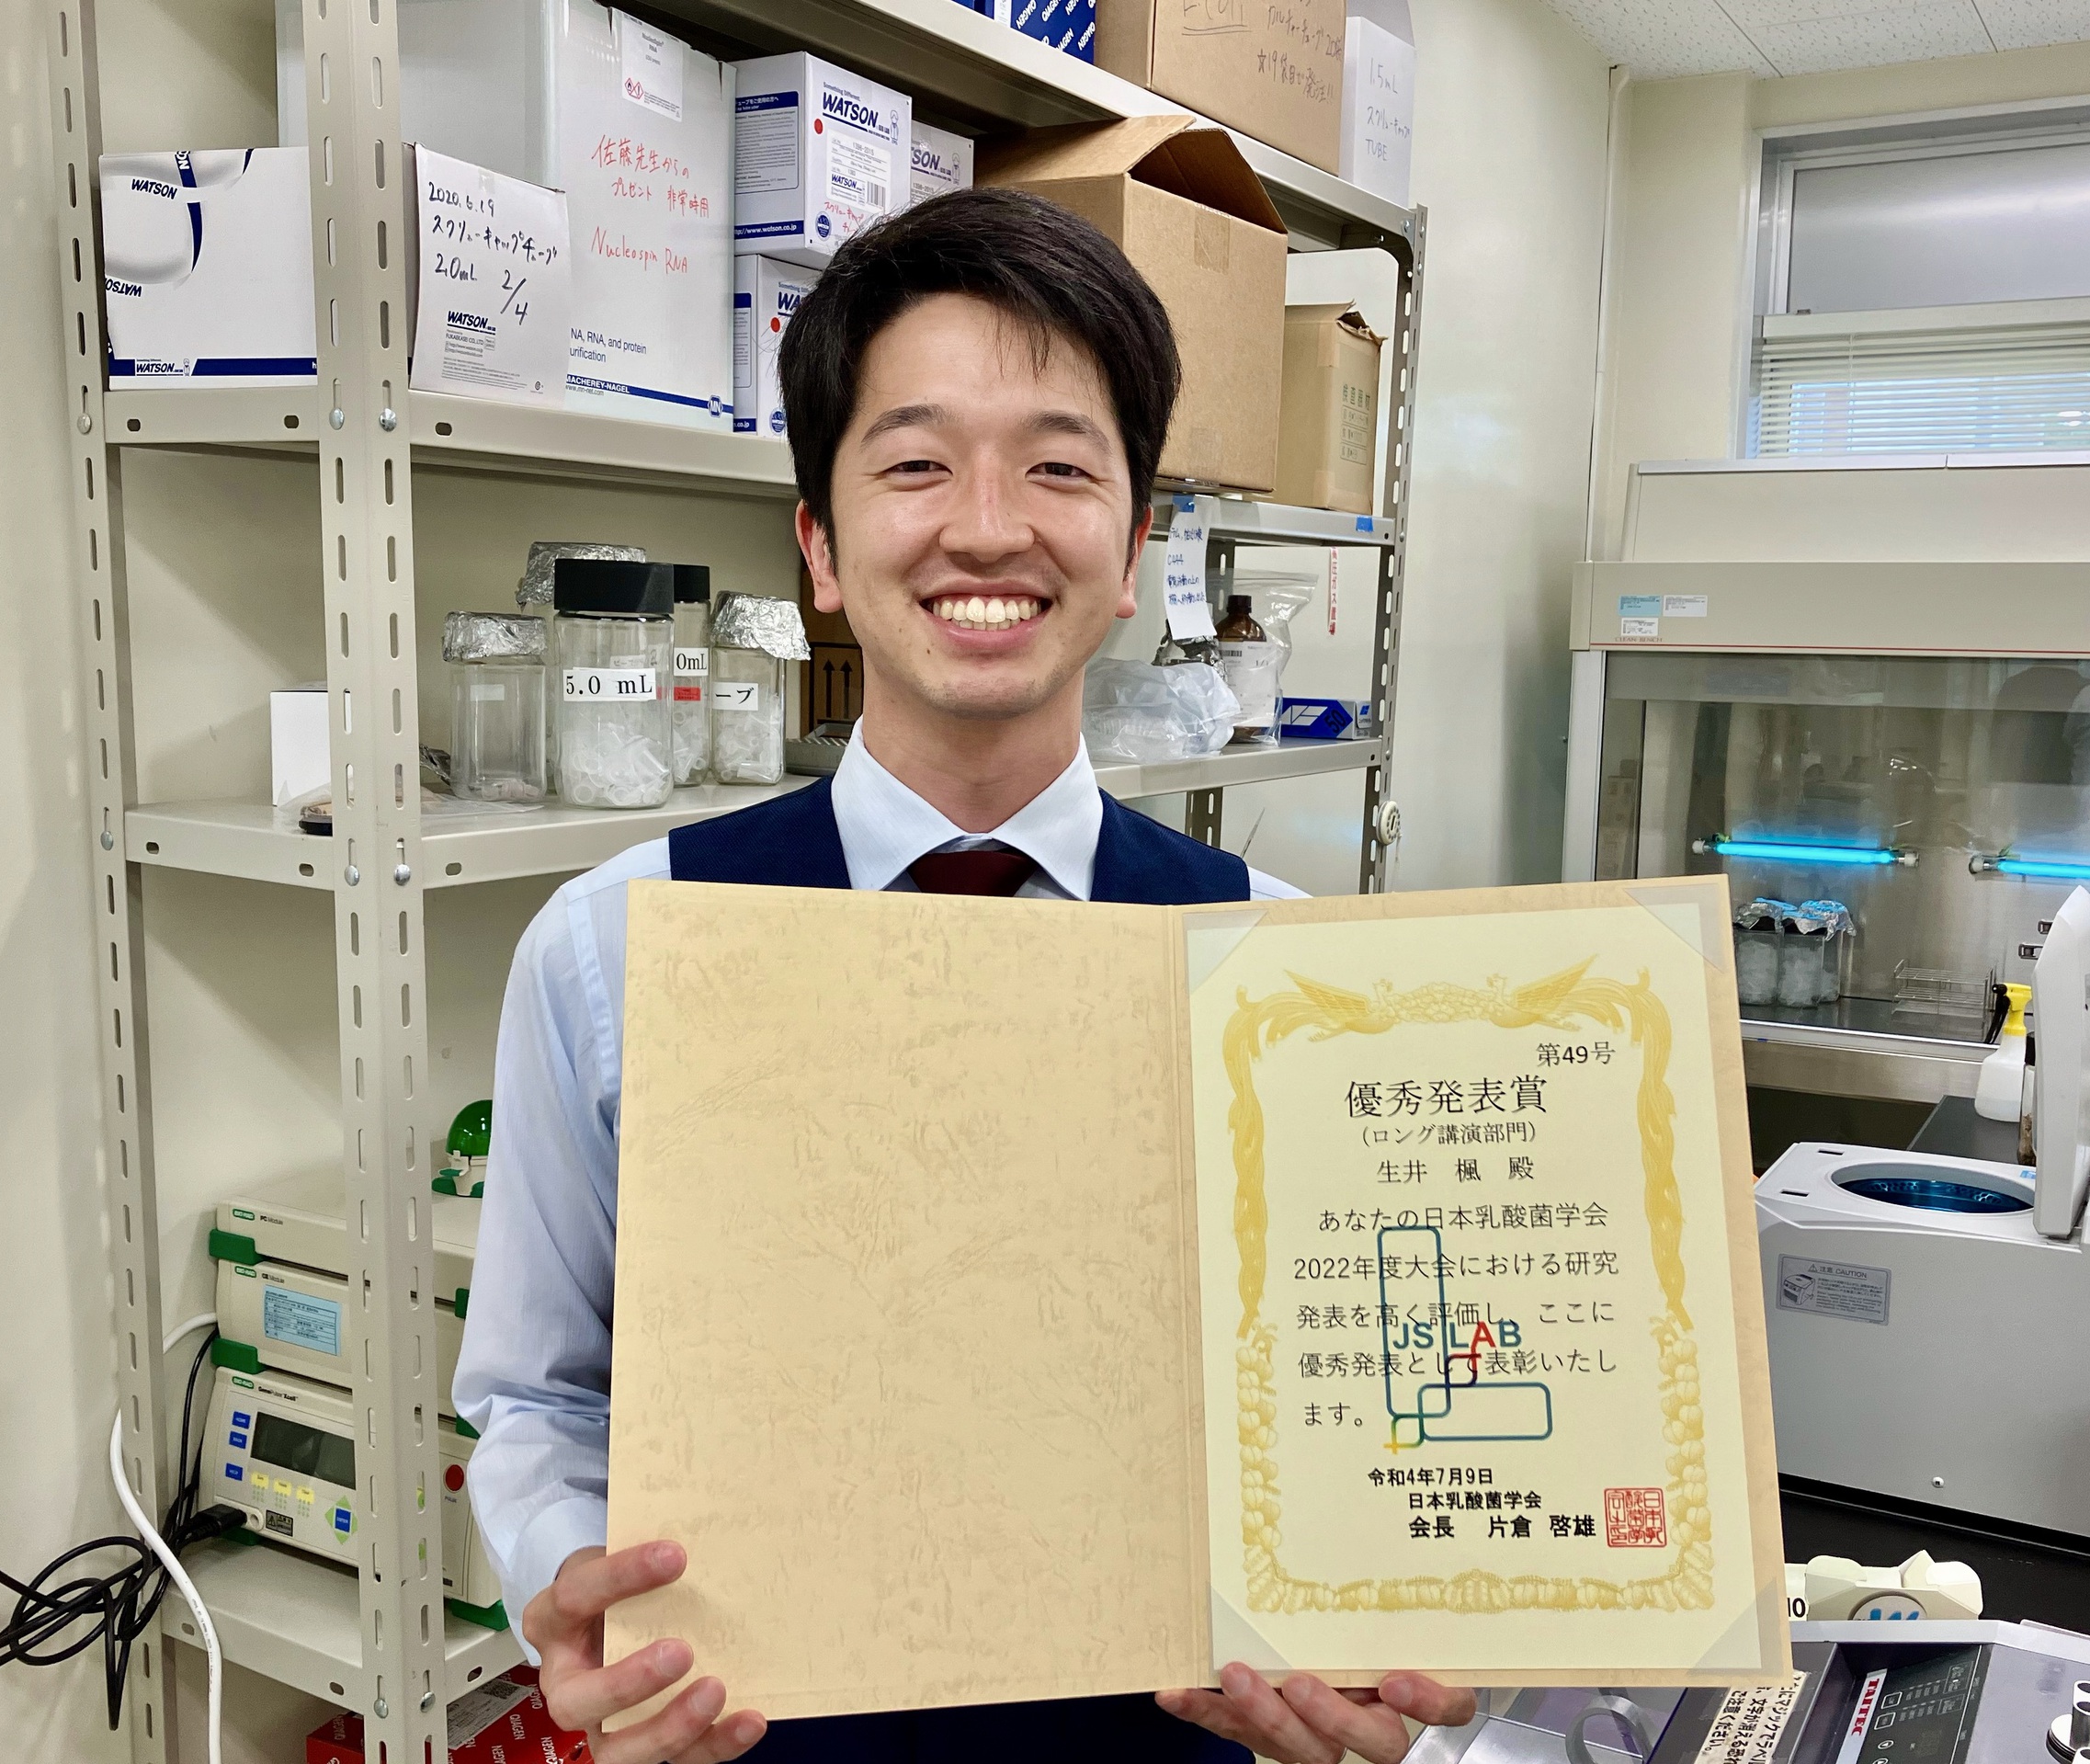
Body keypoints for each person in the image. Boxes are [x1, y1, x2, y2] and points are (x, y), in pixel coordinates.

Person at [454, 187, 1476, 1764]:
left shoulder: (1280, 970)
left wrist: (1395, 1625)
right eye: (917, 463)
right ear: (818, 543)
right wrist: (569, 1584)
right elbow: (539, 1395)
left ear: (1134, 547)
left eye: (1059, 466)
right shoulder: (616, 943)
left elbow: (1356, 1403)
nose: (988, 527)